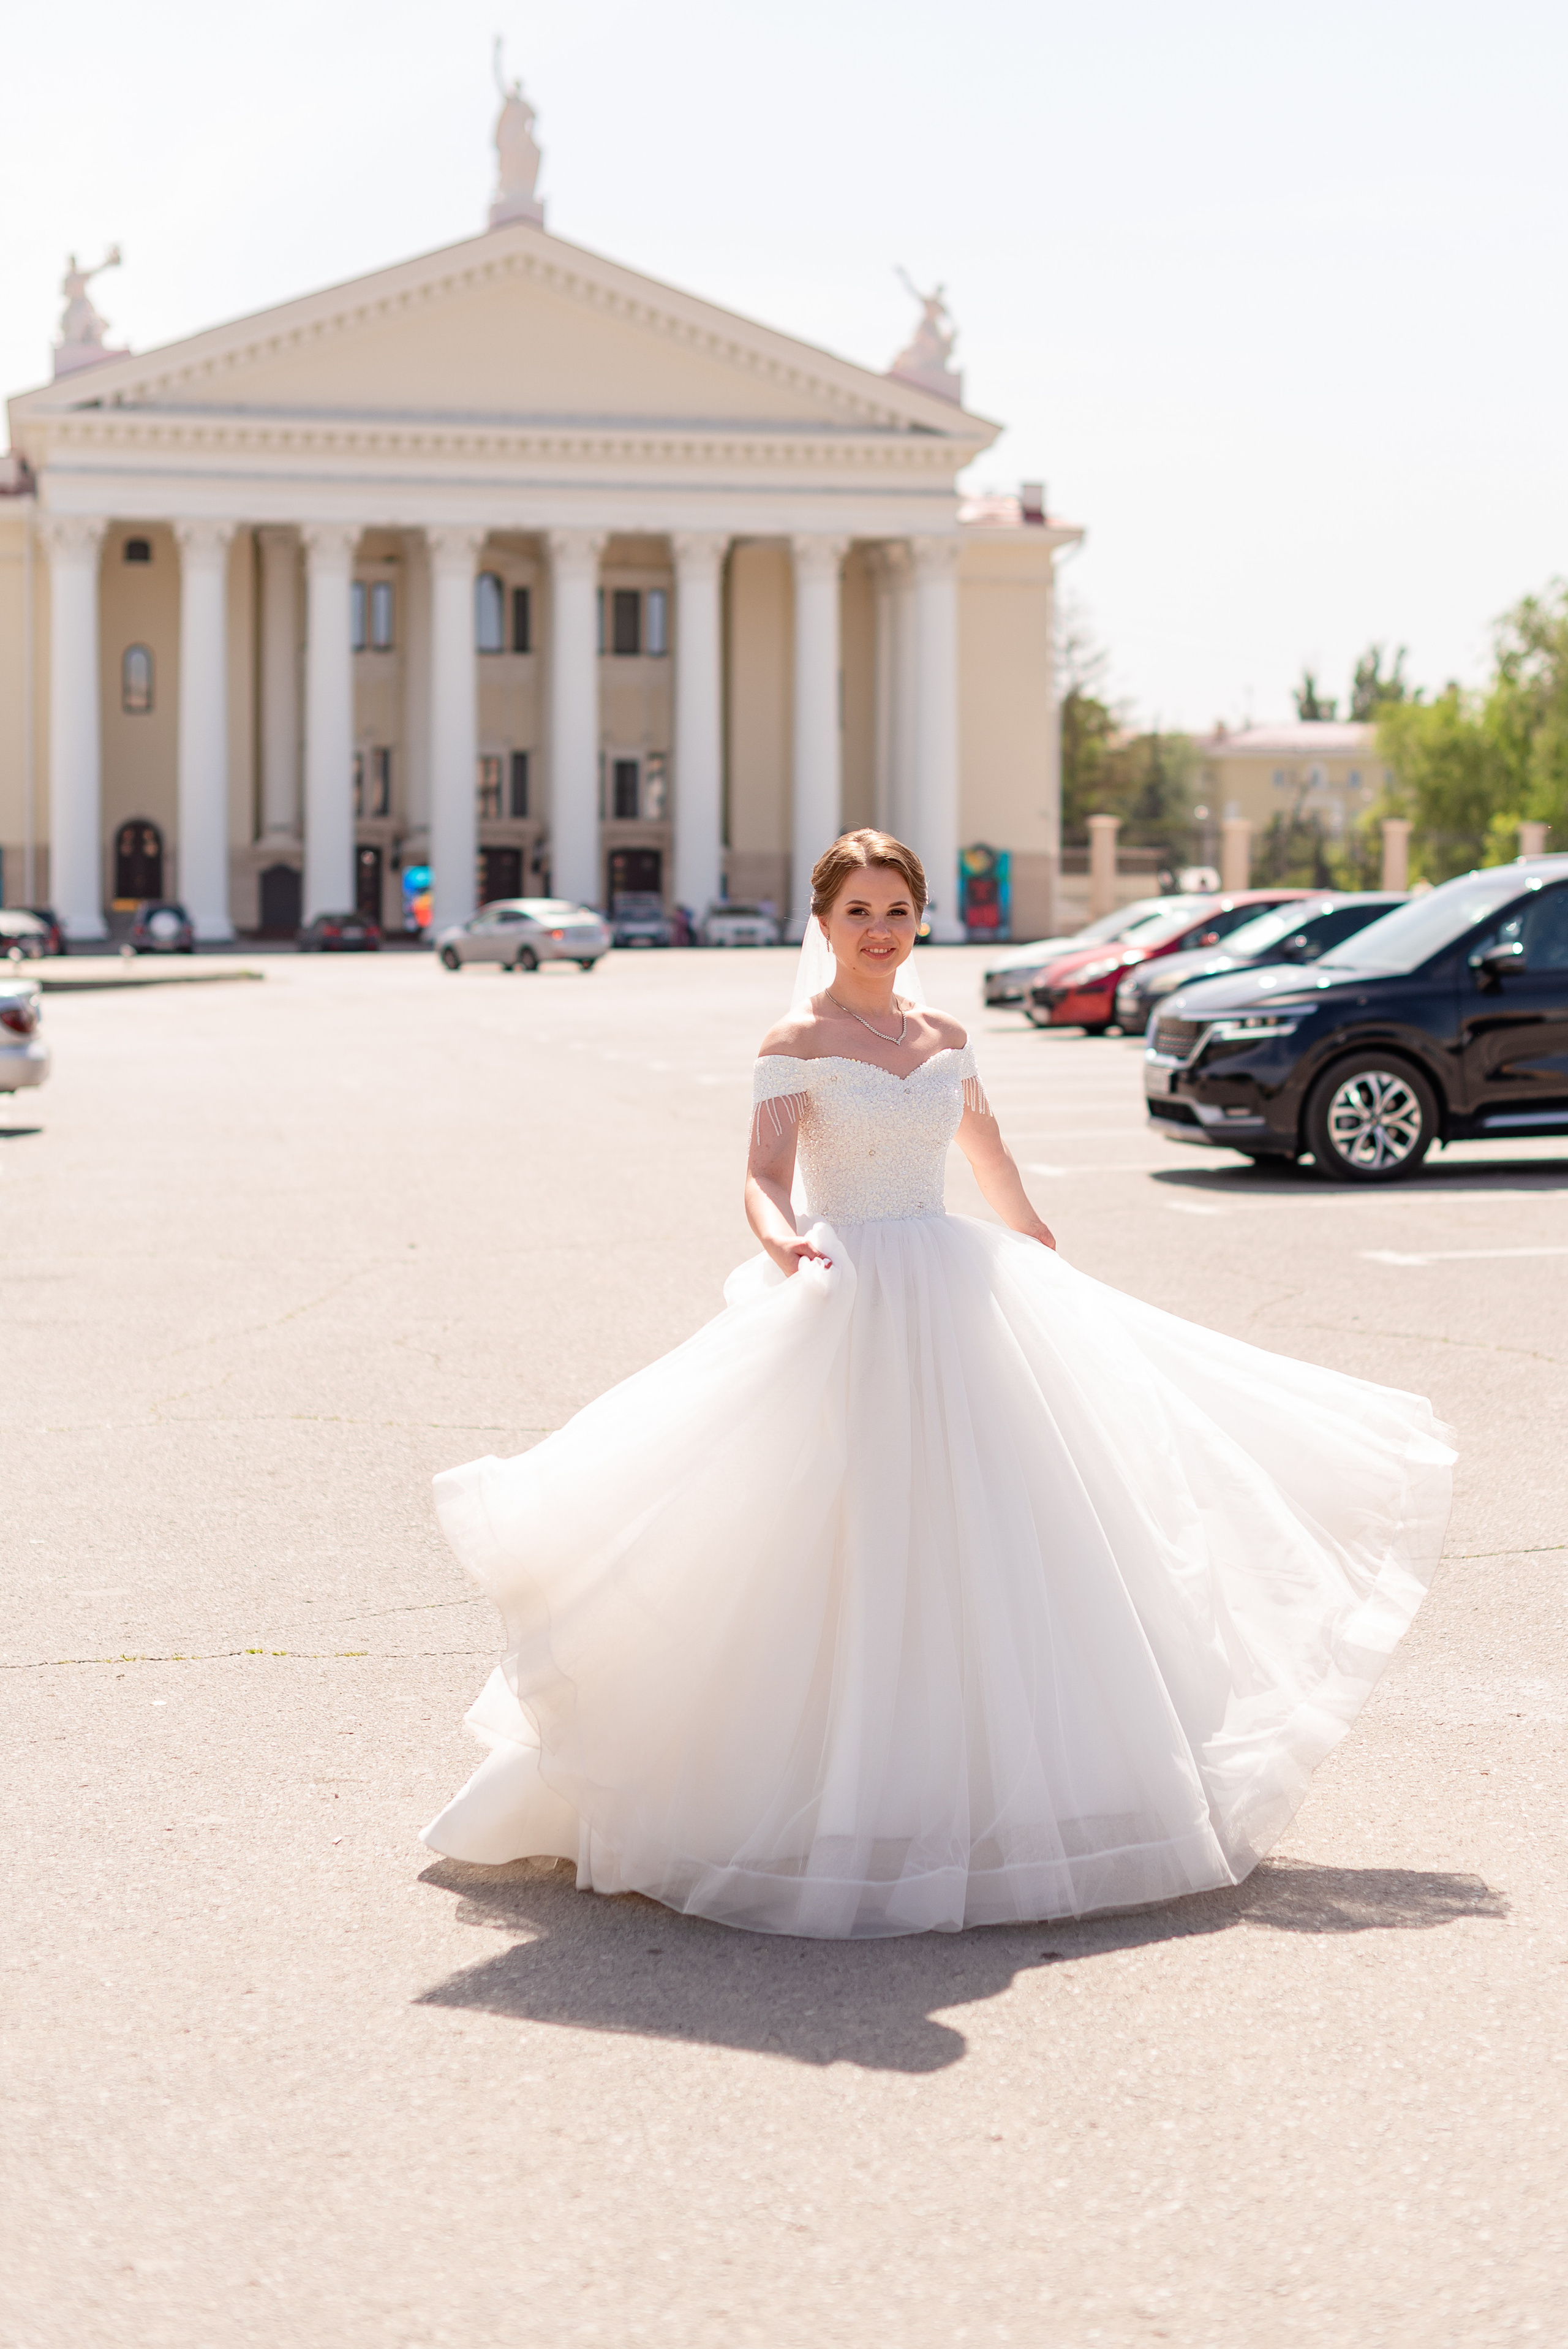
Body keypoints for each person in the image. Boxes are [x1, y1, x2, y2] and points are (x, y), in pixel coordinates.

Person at [421, 828, 1454, 1937]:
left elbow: (987, 1152)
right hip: (846, 1289)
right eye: (859, 910)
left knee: (996, 1535)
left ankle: (1007, 1781)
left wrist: (1035, 1241)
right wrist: (785, 1248)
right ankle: (817, 1780)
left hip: (958, 1284)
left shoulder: (947, 1035)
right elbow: (764, 1176)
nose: (880, 929)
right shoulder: (797, 1036)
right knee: (839, 1538)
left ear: (922, 921)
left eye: (898, 910)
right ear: (823, 924)